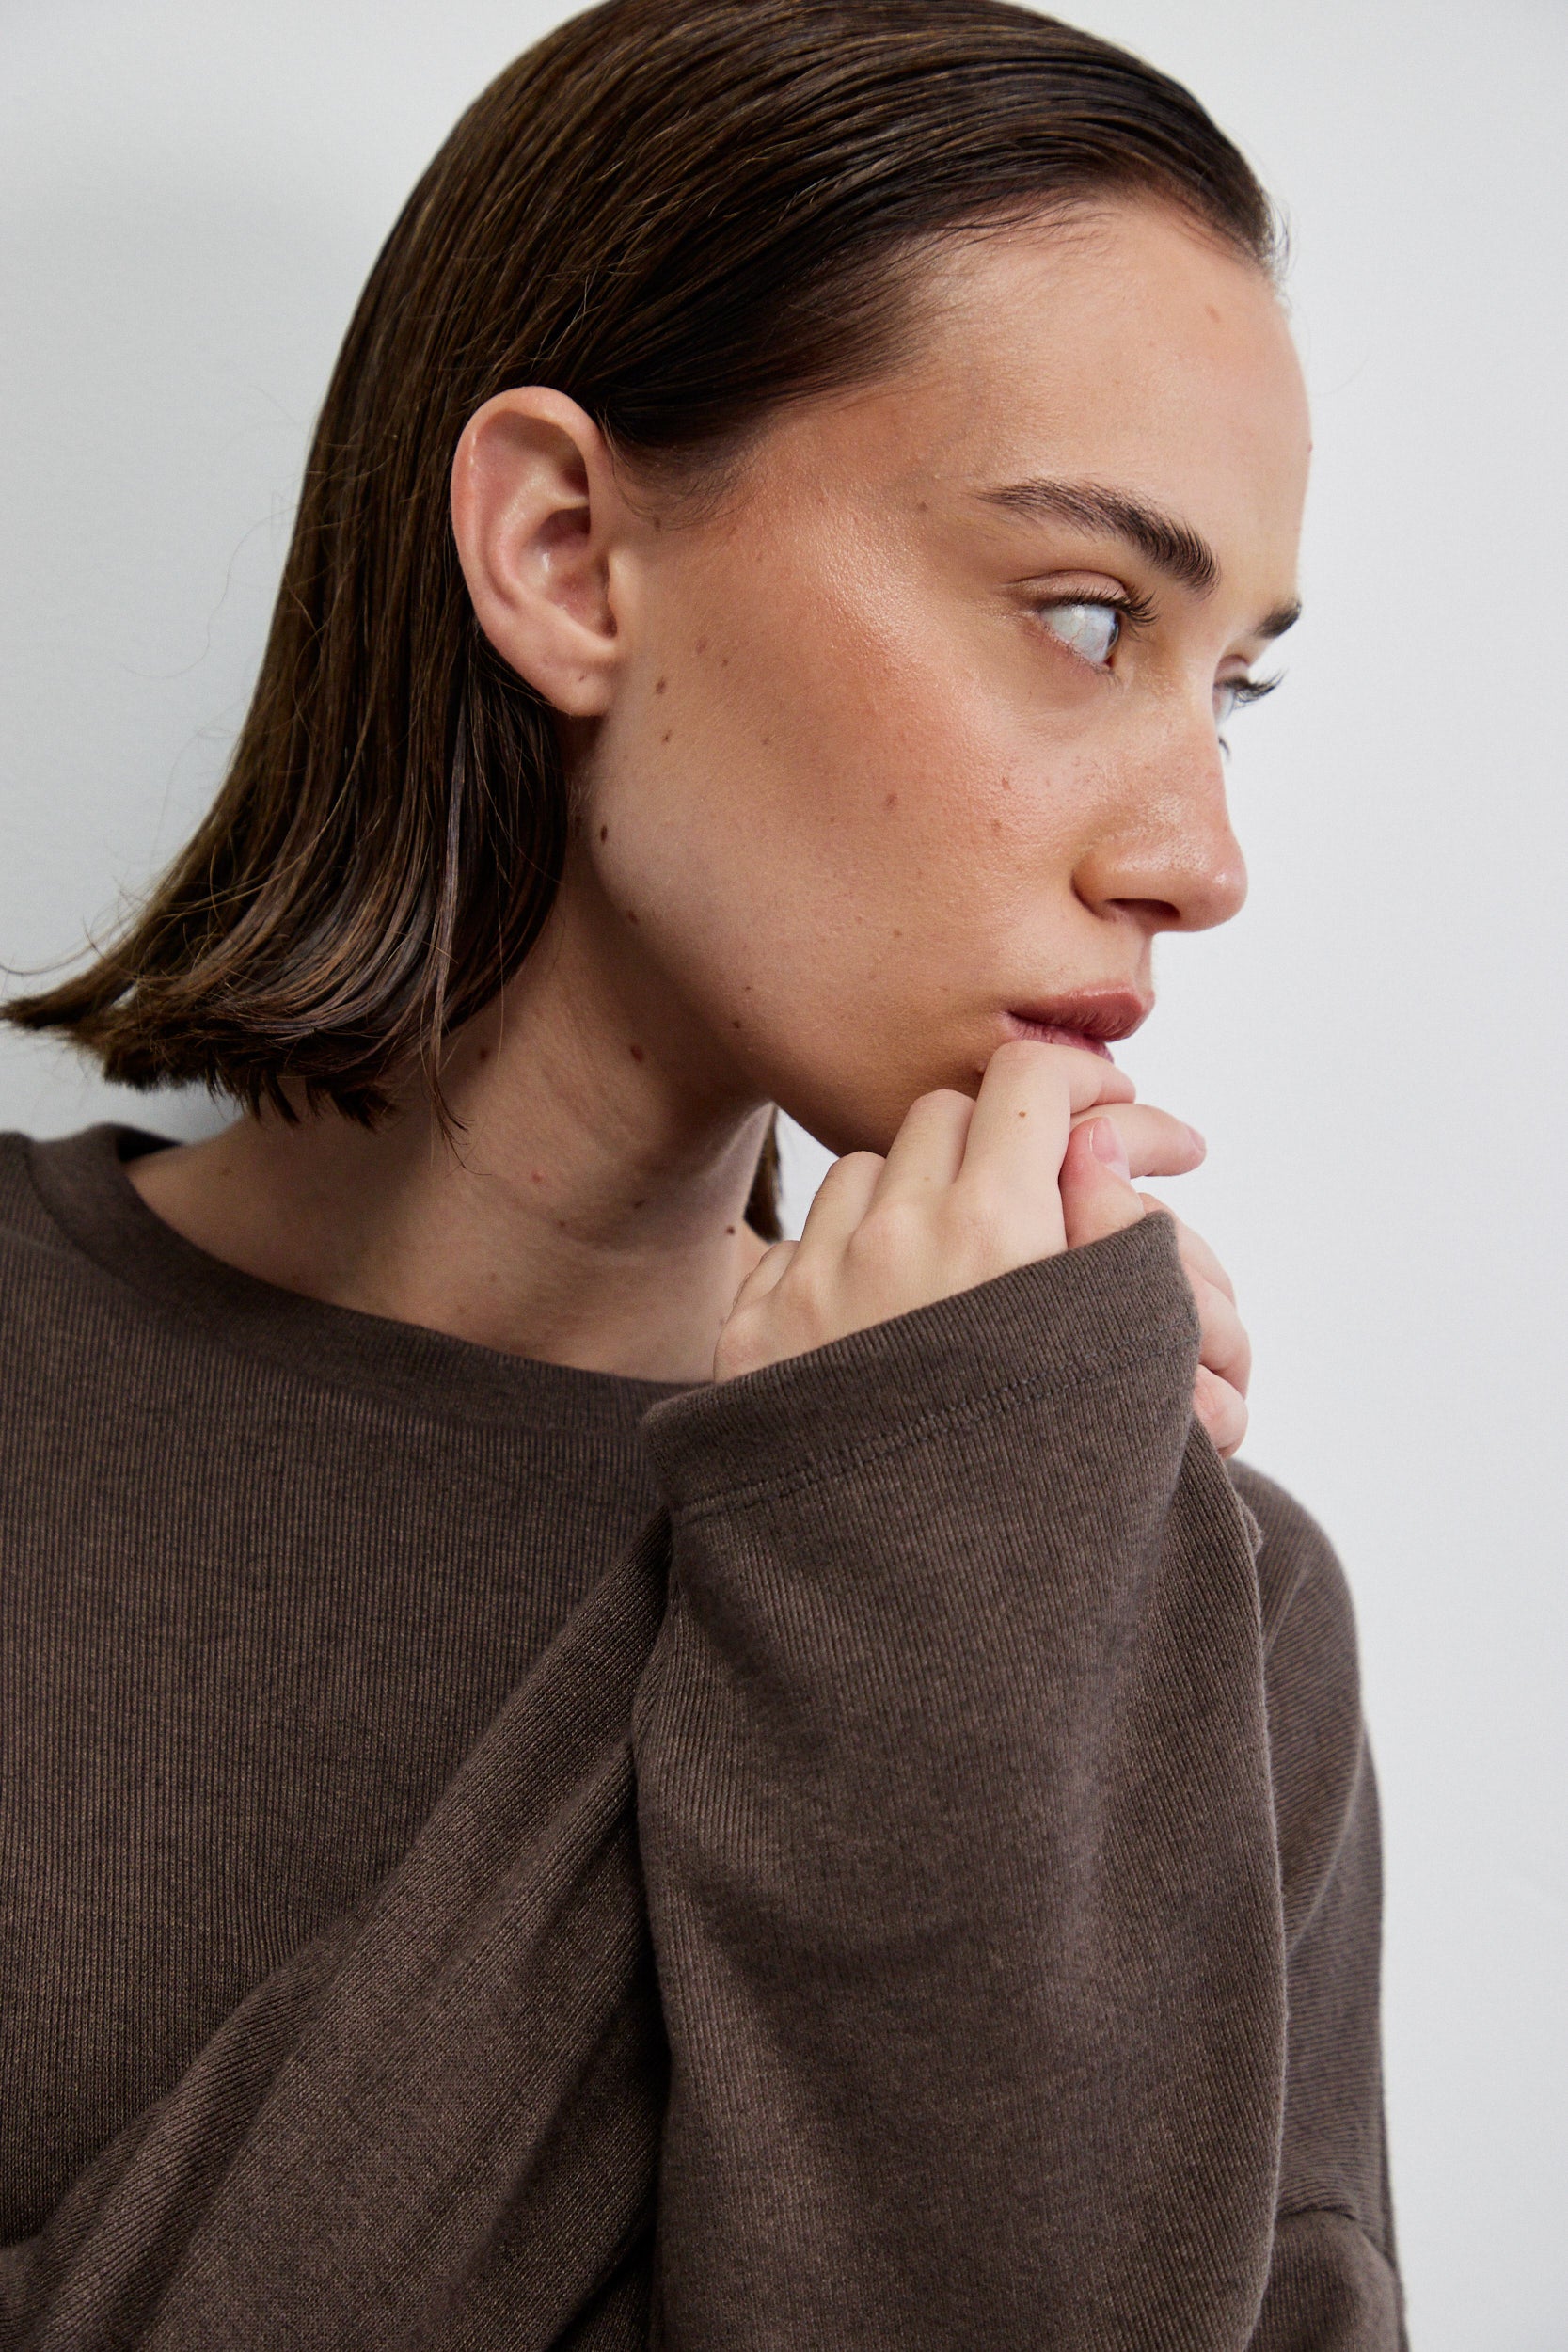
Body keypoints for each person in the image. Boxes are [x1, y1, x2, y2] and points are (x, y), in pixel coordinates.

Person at [0, 0, 1405, 2343]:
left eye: (1231, 681)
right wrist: (856, 1533)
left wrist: (947, 1534)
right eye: (1085, 614)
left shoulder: (1192, 1609)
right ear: (566, 552)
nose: (1204, 854)